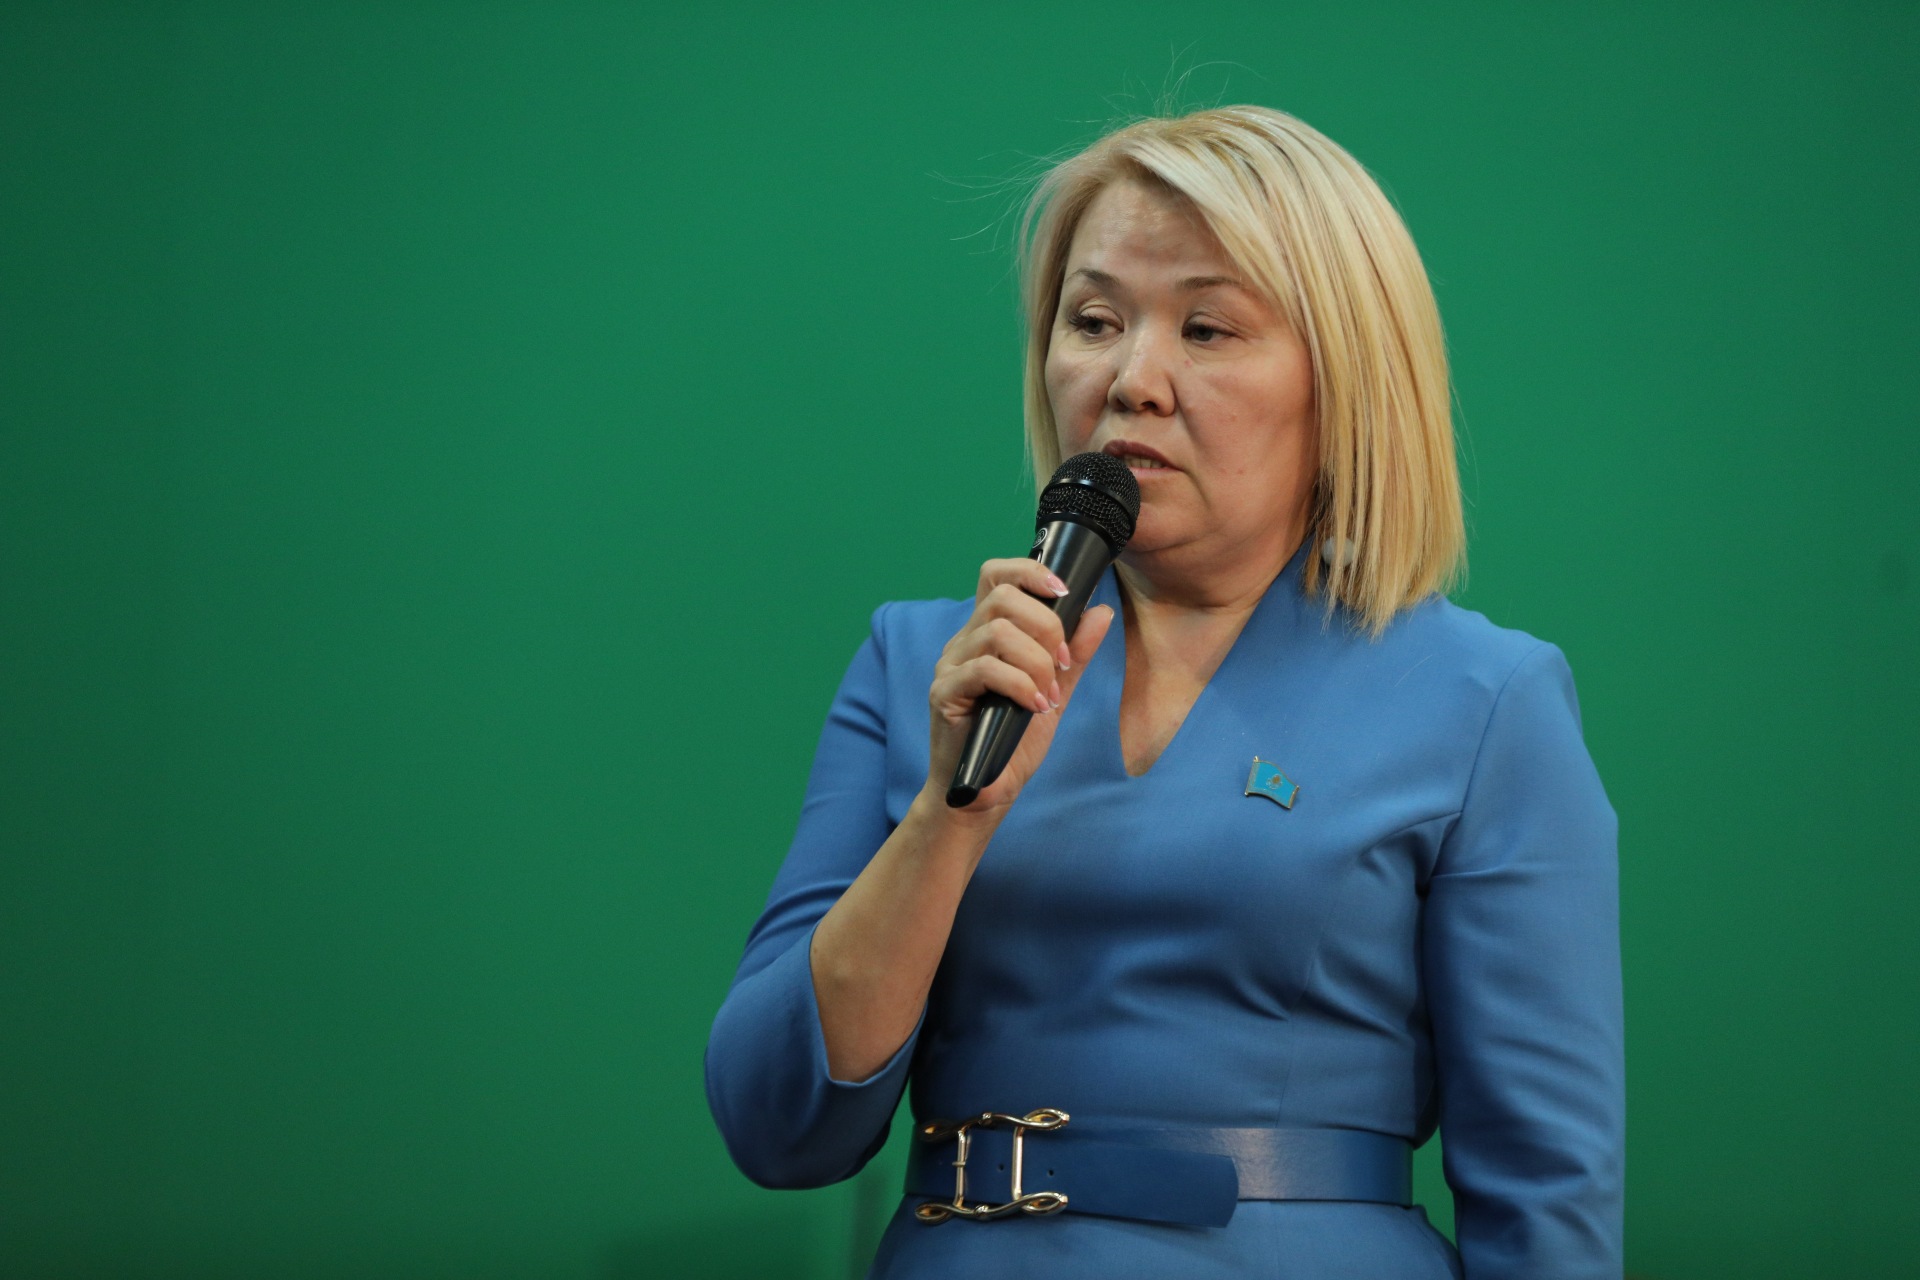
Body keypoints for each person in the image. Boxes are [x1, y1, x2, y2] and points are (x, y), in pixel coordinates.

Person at [704, 105, 1622, 1279]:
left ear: (1343, 380)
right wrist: (948, 816)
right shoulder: (925, 664)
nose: (1132, 379)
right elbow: (774, 1121)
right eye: (1094, 321)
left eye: (1206, 327)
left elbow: (1549, 1194)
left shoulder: (1484, 698)